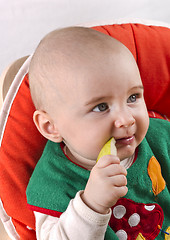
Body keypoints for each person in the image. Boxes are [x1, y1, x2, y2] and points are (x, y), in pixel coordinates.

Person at [26, 26, 170, 240]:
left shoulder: (158, 135)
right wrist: (91, 205)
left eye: (132, 98)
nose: (127, 119)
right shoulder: (53, 184)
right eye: (101, 107)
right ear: (51, 126)